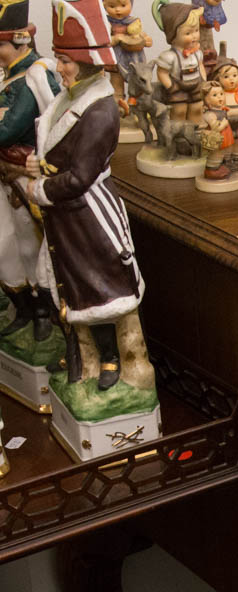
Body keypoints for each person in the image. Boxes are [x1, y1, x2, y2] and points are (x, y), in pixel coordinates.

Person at [26, 0, 154, 396]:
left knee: (105, 288)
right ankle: (86, 359)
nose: (60, 68)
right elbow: (56, 149)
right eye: (58, 58)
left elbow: (80, 176)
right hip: (67, 215)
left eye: (65, 60)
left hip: (90, 214)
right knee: (75, 287)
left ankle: (117, 361)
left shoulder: (100, 110)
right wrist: (40, 163)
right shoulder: (72, 96)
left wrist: (40, 189)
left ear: (87, 62)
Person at [0, 0, 59, 342]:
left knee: (29, 246)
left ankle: (41, 313)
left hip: (25, 174)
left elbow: (9, 128)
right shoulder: (8, 75)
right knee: (6, 246)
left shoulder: (32, 75)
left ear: (20, 42)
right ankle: (20, 307)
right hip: (6, 172)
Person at [155, 2, 205, 124]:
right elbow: (162, 72)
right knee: (179, 111)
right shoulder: (169, 57)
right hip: (178, 90)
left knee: (197, 109)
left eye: (196, 30)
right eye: (188, 33)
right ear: (172, 35)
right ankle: (178, 135)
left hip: (196, 86)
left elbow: (200, 66)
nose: (194, 36)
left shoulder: (197, 53)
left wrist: (203, 80)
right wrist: (171, 87)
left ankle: (195, 132)